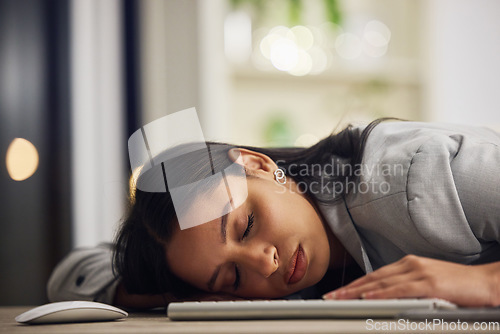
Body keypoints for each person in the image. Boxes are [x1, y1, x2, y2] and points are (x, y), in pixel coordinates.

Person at [47, 119, 500, 309]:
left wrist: (486, 282)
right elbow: (71, 275)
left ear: (260, 166)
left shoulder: (422, 180)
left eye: (246, 225)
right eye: (232, 279)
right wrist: (162, 293)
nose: (265, 263)